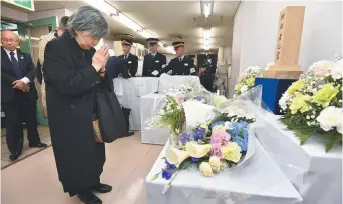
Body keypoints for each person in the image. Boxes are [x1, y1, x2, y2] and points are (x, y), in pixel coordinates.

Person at [43, 6, 112, 204]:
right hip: (68, 115)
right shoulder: (56, 47)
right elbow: (66, 85)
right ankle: (81, 189)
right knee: (76, 155)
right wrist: (94, 67)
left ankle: (93, 181)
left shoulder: (89, 50)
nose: (95, 42)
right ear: (79, 28)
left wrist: (101, 72)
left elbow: (96, 81)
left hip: (89, 111)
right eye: (93, 36)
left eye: (98, 38)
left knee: (94, 152)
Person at [1, 30, 47, 161]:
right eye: (5, 39)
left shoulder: (25, 56)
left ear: (17, 41)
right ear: (1, 41)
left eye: (11, 39)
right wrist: (18, 83)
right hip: (10, 95)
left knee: (31, 120)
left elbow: (32, 70)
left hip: (27, 93)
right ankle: (15, 149)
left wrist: (24, 81)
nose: (9, 42)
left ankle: (34, 141)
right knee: (13, 123)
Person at [36, 16, 70, 84]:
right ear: (59, 29)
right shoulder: (45, 40)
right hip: (50, 80)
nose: (68, 35)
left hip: (67, 79)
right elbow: (44, 62)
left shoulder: (70, 39)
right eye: (65, 32)